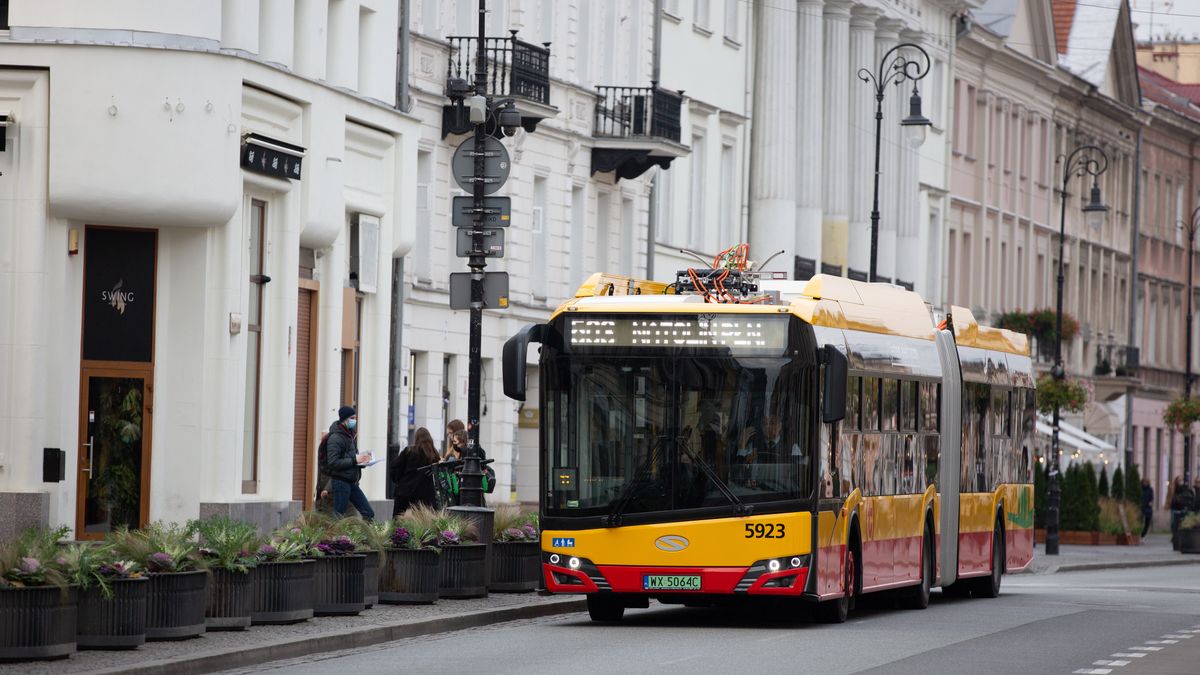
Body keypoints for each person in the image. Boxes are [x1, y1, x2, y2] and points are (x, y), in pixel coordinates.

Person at [325, 406, 375, 521]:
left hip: (352, 482)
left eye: (355, 417)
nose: (355, 420)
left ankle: (365, 538)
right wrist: (354, 460)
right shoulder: (335, 438)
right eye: (352, 418)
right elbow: (333, 462)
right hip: (341, 482)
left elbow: (352, 458)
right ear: (345, 419)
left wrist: (363, 461)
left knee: (368, 513)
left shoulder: (350, 435)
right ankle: (332, 537)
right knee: (338, 516)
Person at [391, 427, 439, 515]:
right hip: (424, 493)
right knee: (421, 522)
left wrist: (399, 480)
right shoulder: (433, 454)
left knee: (397, 519)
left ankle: (397, 529)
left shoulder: (409, 451)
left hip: (405, 490)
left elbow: (395, 466)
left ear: (416, 438)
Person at [1168, 476, 1194, 548]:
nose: (1180, 482)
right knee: (1173, 524)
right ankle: (1174, 536)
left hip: (1181, 508)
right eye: (1179, 480)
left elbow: (1187, 497)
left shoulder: (1185, 488)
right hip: (1174, 508)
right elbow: (1170, 497)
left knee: (1179, 524)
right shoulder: (1173, 488)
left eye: (1181, 480)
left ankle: (1177, 537)